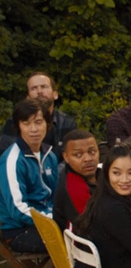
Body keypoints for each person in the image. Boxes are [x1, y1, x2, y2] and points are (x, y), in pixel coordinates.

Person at [0, 98, 59, 253]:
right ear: (18, 126)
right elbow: (17, 209)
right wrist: (53, 220)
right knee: (76, 242)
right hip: (19, 229)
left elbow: (57, 196)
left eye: (38, 122)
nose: (34, 129)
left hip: (49, 221)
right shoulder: (12, 160)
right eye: (26, 123)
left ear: (47, 123)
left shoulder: (49, 155)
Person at [0, 72, 77, 161]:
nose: (39, 91)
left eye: (44, 87)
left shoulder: (67, 123)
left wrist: (52, 172)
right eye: (34, 88)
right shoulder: (15, 122)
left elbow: (72, 158)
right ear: (28, 97)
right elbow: (8, 156)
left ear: (55, 94)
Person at [53, 129, 99, 231]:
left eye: (92, 152)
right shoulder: (74, 188)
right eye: (78, 154)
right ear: (66, 157)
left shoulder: (101, 174)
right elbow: (92, 228)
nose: (87, 158)